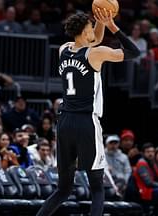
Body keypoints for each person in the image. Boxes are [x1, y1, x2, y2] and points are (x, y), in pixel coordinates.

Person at [35, 9, 140, 216]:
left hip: (64, 123)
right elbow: (133, 52)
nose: (93, 30)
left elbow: (94, 40)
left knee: (63, 189)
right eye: (90, 26)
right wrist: (111, 25)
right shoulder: (96, 54)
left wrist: (99, 22)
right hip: (86, 123)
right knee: (97, 188)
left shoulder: (64, 49)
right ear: (84, 31)